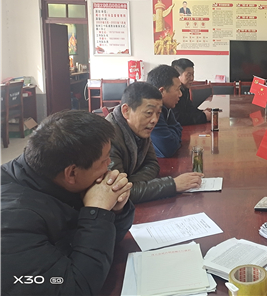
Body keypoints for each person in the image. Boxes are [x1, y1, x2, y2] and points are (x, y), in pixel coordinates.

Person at [1, 110, 134, 295]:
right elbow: (71, 288)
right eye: (104, 161)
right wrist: (97, 212)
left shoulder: (49, 174)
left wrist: (115, 210)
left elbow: (107, 245)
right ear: (71, 173)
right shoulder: (12, 222)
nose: (110, 164)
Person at [106, 81, 203, 204]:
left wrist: (131, 183)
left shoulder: (139, 127)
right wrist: (172, 184)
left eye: (158, 113)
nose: (154, 120)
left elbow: (152, 164)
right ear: (126, 111)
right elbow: (117, 193)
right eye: (149, 113)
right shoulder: (107, 138)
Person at [147, 64, 183, 158]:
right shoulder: (150, 112)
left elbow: (179, 128)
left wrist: (172, 135)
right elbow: (168, 149)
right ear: (161, 91)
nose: (180, 94)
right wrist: (173, 136)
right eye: (178, 89)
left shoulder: (165, 108)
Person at [172, 58, 212, 125]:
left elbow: (190, 109)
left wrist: (202, 112)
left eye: (193, 74)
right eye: (188, 75)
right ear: (177, 76)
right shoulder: (172, 92)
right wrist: (204, 117)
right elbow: (178, 118)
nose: (192, 78)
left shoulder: (185, 88)